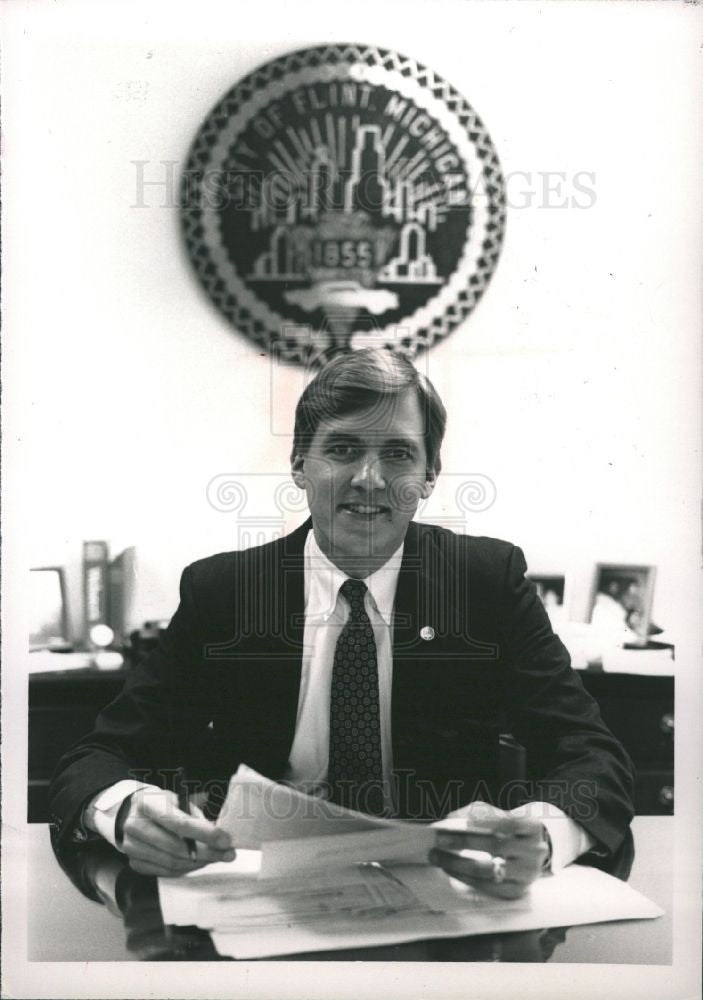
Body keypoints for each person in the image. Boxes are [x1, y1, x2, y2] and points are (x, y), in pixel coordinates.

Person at [49, 349, 634, 899]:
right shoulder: (224, 593)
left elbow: (590, 752)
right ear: (301, 465)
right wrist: (125, 810)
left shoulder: (485, 584)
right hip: (256, 886)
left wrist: (545, 831)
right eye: (345, 449)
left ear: (430, 475)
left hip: (445, 889)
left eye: (399, 454)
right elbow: (100, 756)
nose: (370, 479)